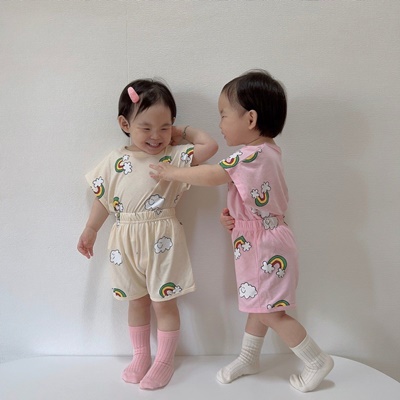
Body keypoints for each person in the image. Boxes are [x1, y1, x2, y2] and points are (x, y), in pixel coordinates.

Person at [149, 70, 334, 392]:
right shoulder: (268, 153)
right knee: (258, 305)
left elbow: (212, 175)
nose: (220, 124)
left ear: (250, 119)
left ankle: (316, 360)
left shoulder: (251, 155)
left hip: (264, 245)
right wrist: (238, 216)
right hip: (259, 238)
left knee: (272, 313)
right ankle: (249, 357)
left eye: (223, 115)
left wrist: (172, 172)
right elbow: (256, 197)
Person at [77, 79, 218, 390]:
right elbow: (103, 200)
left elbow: (209, 147)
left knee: (163, 303)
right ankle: (141, 356)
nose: (156, 136)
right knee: (136, 300)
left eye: (164, 127)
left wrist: (181, 132)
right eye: (146, 127)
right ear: (125, 124)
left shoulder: (174, 156)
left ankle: (164, 360)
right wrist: (90, 229)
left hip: (162, 239)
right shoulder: (114, 161)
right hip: (124, 239)